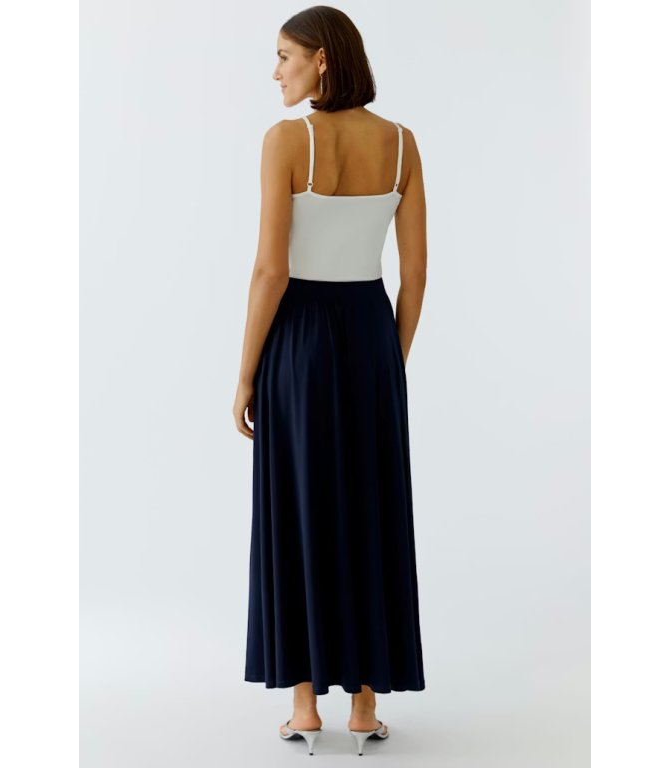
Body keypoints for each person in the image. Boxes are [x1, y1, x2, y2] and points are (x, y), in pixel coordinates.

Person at [232, 6, 427, 756]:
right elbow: (416, 274)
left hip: (300, 337)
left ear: (321, 60)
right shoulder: (402, 144)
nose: (275, 71)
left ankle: (305, 704)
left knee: (301, 506)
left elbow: (270, 271)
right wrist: (388, 363)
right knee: (369, 506)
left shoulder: (286, 141)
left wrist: (245, 375)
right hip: (370, 331)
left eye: (284, 56)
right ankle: (365, 705)